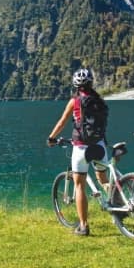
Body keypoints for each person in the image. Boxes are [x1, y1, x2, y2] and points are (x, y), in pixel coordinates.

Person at [47, 68, 109, 236]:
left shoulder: (74, 102)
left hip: (81, 147)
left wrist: (51, 137)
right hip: (100, 145)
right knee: (103, 179)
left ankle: (83, 225)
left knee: (79, 185)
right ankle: (118, 205)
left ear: (75, 85)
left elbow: (62, 122)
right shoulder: (99, 100)